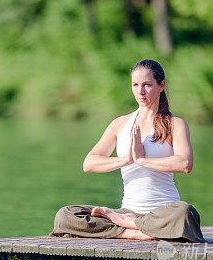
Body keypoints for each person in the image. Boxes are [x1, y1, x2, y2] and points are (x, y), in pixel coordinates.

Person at [50, 59, 204, 242]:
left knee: (186, 214)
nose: (140, 91)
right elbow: (89, 163)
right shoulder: (120, 124)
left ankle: (130, 226)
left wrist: (142, 160)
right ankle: (134, 231)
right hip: (126, 212)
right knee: (66, 215)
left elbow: (185, 164)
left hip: (164, 212)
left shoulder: (175, 124)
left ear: (161, 85)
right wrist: (126, 159)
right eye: (135, 85)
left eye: (147, 85)